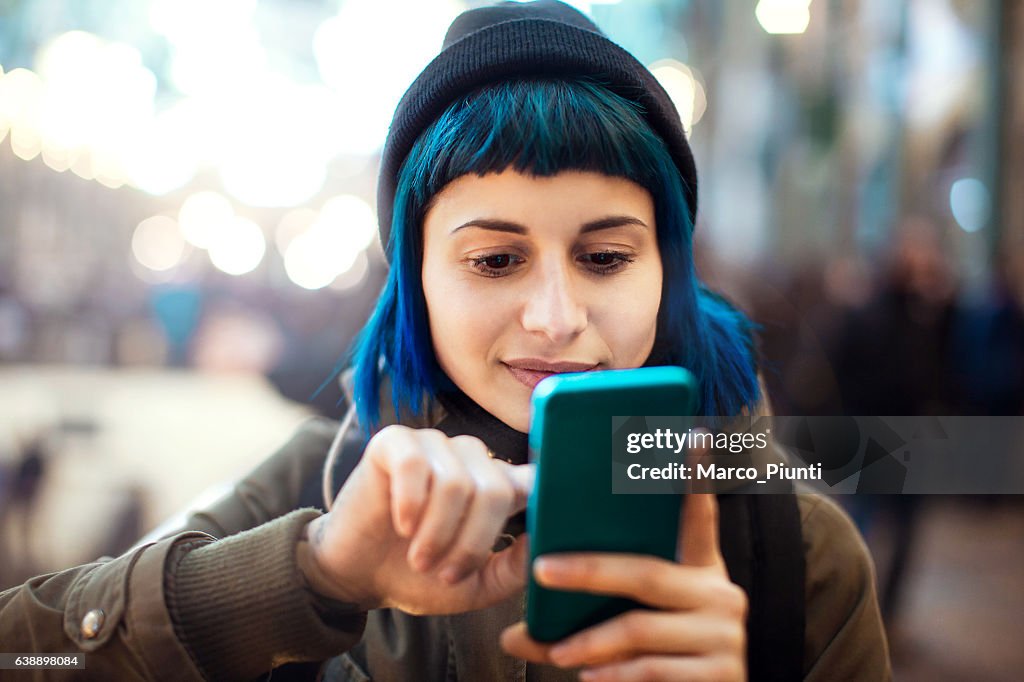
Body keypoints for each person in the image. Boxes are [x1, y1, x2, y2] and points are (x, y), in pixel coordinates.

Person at [0, 2, 890, 680]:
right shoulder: (311, 490)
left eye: (606, 256)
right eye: (496, 260)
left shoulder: (794, 547)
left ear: (668, 270)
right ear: (416, 280)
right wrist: (310, 580)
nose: (553, 316)